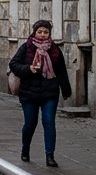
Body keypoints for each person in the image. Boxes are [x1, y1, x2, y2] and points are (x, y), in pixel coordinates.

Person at [8, 19, 71, 167]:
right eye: (40, 32)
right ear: (34, 32)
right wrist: (28, 69)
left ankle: (50, 156)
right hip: (29, 92)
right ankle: (25, 149)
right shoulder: (26, 47)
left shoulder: (55, 50)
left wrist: (66, 89)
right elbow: (14, 64)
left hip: (50, 92)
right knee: (30, 123)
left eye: (46, 32)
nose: (43, 35)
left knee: (49, 122)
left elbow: (61, 71)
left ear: (49, 33)